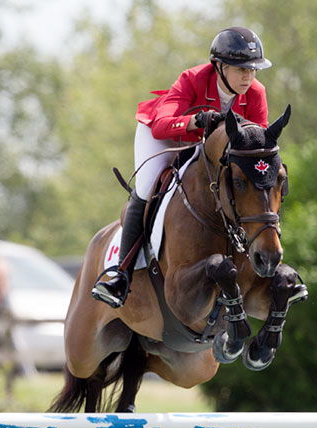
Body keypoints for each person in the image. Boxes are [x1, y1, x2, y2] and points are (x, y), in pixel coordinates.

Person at [92, 26, 273, 308]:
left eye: (252, 70)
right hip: (166, 138)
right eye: (241, 69)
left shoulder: (256, 93)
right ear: (220, 67)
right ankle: (120, 276)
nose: (248, 77)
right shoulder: (193, 79)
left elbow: (255, 143)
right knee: (147, 189)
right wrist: (194, 121)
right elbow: (163, 124)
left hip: (214, 153)